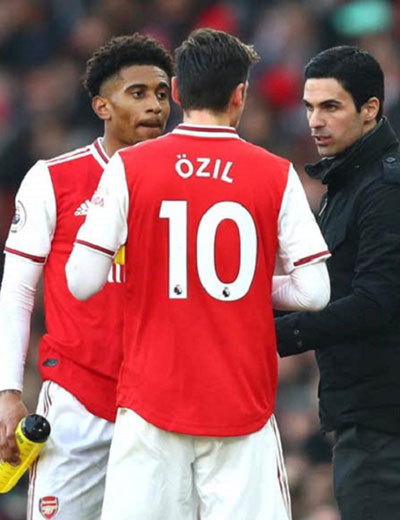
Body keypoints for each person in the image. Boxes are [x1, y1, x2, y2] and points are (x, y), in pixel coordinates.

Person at [66, 28, 330, 520]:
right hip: (241, 404)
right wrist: (246, 287)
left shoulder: (128, 167)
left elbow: (81, 280)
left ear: (177, 92)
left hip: (151, 402)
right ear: (240, 95)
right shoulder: (276, 172)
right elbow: (315, 292)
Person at [0, 33, 172, 519]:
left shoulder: (185, 184)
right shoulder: (53, 179)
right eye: (137, 93)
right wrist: (8, 392)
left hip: (162, 403)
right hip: (78, 402)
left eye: (162, 93)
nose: (154, 105)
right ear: (102, 105)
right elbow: (17, 290)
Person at [275, 45, 400, 520]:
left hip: (383, 426)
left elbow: (375, 302)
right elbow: (330, 289)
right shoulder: (350, 183)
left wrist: (267, 337)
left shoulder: (384, 188)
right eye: (309, 107)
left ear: (370, 109)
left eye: (330, 106)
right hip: (366, 419)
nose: (315, 121)